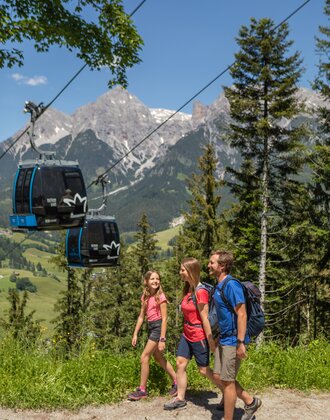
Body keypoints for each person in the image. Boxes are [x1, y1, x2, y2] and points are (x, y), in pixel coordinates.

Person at [208, 250, 262, 420]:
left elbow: (242, 314)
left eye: (212, 262)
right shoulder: (219, 284)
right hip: (223, 338)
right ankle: (250, 401)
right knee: (218, 376)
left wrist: (240, 342)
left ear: (222, 266)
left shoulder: (231, 285)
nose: (209, 265)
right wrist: (218, 335)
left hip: (233, 340)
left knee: (228, 381)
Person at [164, 257, 222, 410]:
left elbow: (205, 318)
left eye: (182, 270)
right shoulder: (189, 289)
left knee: (203, 370)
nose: (180, 272)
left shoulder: (201, 291)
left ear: (191, 271)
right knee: (180, 363)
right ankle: (180, 398)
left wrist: (210, 342)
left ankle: (227, 391)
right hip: (187, 333)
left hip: (198, 335)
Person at [128, 270, 177, 401]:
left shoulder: (161, 297)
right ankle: (178, 381)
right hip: (151, 327)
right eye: (152, 279)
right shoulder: (145, 297)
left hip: (158, 328)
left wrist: (162, 339)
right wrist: (135, 334)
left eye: (157, 279)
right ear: (146, 282)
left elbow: (165, 319)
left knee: (144, 357)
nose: (155, 281)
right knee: (158, 357)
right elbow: (141, 317)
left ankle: (142, 390)